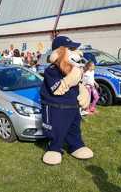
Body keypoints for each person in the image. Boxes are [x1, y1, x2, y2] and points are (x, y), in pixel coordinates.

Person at [40, 36, 93, 165]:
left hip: (72, 107)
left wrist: (84, 92)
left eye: (75, 49)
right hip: (56, 106)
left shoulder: (73, 68)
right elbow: (57, 88)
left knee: (74, 127)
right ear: (58, 53)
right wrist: (71, 78)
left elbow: (78, 84)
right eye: (71, 49)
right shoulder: (52, 71)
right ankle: (54, 148)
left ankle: (76, 145)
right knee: (57, 129)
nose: (77, 52)